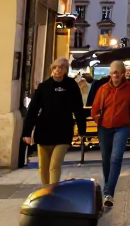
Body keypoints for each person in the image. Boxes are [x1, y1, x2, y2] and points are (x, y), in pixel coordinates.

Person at [22, 57, 86, 186]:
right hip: (44, 131)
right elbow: (33, 110)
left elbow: (78, 108)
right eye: (55, 67)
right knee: (44, 168)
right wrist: (27, 132)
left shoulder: (71, 85)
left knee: (54, 165)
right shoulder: (44, 87)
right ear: (52, 69)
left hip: (63, 131)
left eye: (61, 67)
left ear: (65, 70)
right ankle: (46, 193)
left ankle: (53, 192)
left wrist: (82, 129)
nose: (58, 70)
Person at [91, 61, 130, 209]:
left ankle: (109, 193)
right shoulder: (103, 89)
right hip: (104, 127)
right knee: (106, 158)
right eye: (114, 72)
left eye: (119, 72)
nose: (116, 75)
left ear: (123, 74)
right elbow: (94, 108)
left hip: (122, 127)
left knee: (116, 158)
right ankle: (108, 186)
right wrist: (97, 118)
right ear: (110, 74)